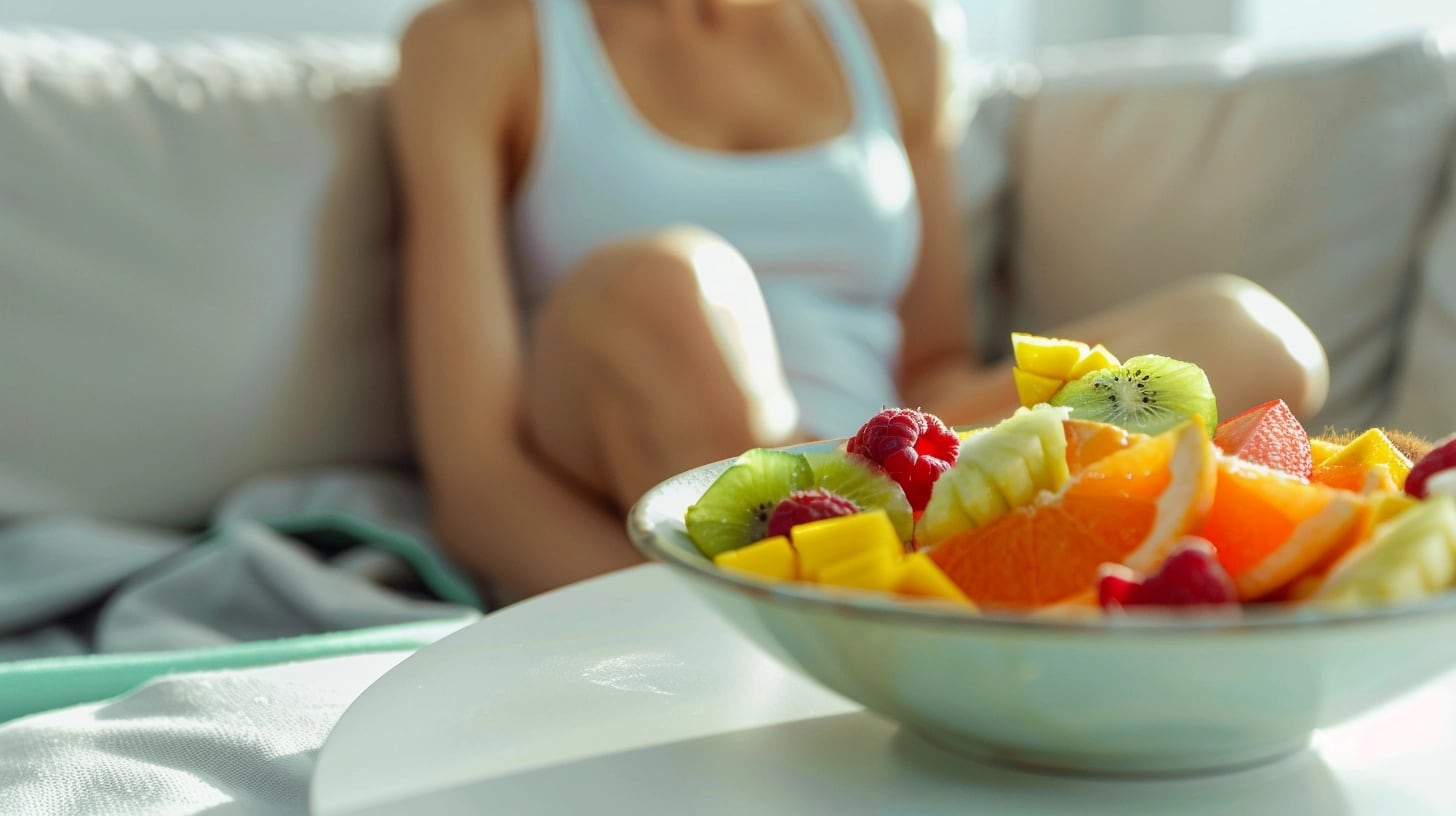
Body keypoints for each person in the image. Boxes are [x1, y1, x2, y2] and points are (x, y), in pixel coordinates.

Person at [388, 0, 1329, 607]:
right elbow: (477, 482)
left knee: (1248, 336)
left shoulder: (895, 29)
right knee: (671, 277)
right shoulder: (480, 40)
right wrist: (665, 619)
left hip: (865, 451)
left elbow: (930, 371)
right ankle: (813, 579)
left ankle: (918, 569)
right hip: (649, 440)